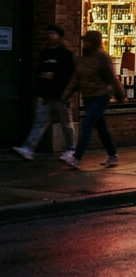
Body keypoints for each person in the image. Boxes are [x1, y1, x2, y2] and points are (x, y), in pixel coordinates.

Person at [60, 30, 126, 169]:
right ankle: (112, 155)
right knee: (101, 127)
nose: (86, 43)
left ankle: (76, 158)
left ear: (95, 43)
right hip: (87, 97)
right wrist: (65, 95)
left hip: (101, 96)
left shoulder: (102, 57)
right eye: (85, 41)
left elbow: (112, 78)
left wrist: (120, 94)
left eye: (88, 41)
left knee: (87, 125)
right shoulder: (81, 59)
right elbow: (75, 79)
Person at [13, 25, 77, 161]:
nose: (51, 36)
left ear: (60, 36)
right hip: (45, 94)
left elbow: (69, 74)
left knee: (66, 123)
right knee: (41, 121)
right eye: (49, 34)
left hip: (60, 95)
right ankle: (29, 148)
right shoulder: (45, 53)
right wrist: (41, 81)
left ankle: (71, 149)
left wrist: (54, 77)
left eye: (54, 34)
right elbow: (37, 71)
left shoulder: (65, 54)